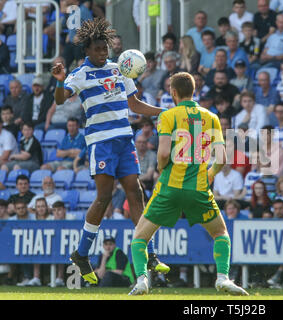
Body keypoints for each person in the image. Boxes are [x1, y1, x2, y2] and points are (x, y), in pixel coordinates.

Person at [51, 18, 168, 285]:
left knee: (136, 194)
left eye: (106, 48)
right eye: (99, 49)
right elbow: (60, 100)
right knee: (103, 198)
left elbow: (135, 105)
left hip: (125, 141)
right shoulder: (79, 75)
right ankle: (82, 254)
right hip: (101, 143)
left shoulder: (119, 70)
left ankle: (150, 254)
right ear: (88, 51)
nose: (104, 53)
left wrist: (164, 111)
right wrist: (59, 82)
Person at [128, 72, 248, 296]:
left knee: (140, 237)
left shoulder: (168, 116)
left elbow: (163, 152)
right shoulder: (211, 117)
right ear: (194, 91)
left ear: (173, 92)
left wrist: (162, 166)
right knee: (221, 234)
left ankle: (143, 280)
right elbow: (221, 158)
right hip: (199, 188)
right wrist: (210, 174)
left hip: (169, 187)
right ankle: (222, 277)